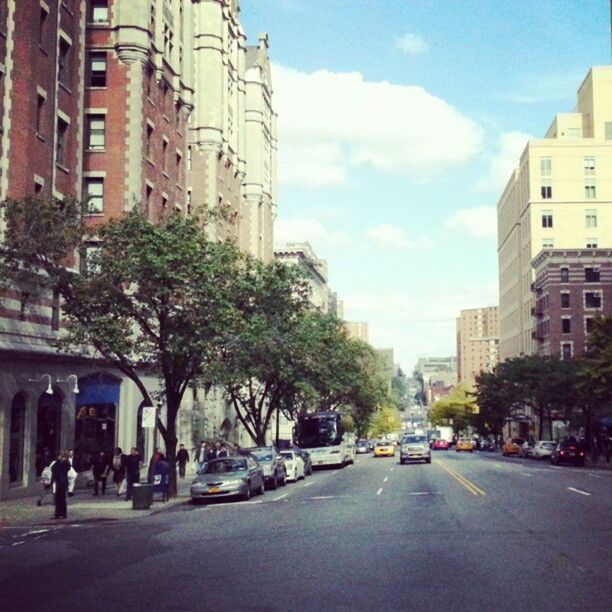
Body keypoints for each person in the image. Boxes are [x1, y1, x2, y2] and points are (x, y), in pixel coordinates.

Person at [51, 450, 71, 519]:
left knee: (61, 498)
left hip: (61, 482)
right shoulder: (64, 463)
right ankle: (59, 513)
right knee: (59, 498)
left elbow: (55, 467)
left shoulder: (65, 463)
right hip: (61, 482)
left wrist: (59, 460)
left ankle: (61, 514)